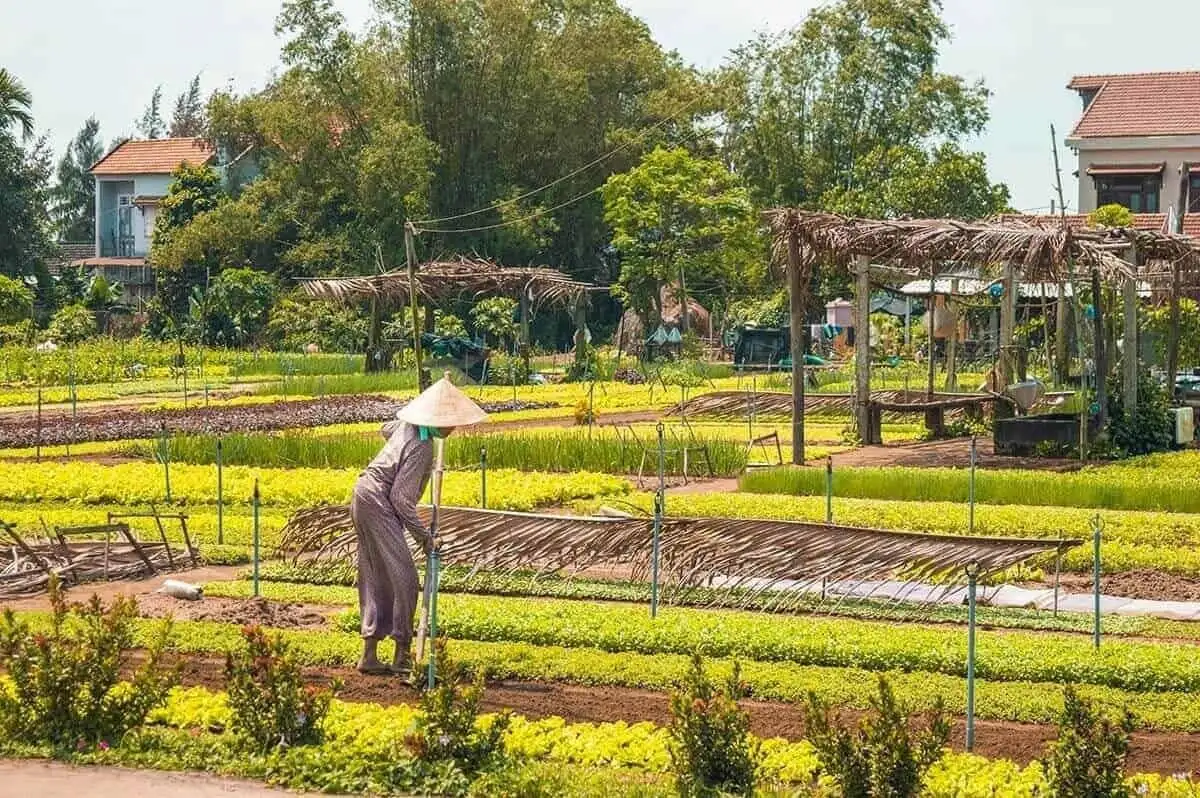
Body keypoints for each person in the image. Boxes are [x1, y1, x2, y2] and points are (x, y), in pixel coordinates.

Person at [350, 373, 487, 675]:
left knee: (376, 575)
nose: (453, 428)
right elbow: (401, 499)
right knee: (405, 578)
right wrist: (425, 538)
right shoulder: (423, 447)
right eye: (448, 421)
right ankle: (401, 653)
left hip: (362, 494)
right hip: (377, 501)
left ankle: (369, 655)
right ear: (434, 419)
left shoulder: (407, 426)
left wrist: (405, 433)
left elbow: (385, 428)